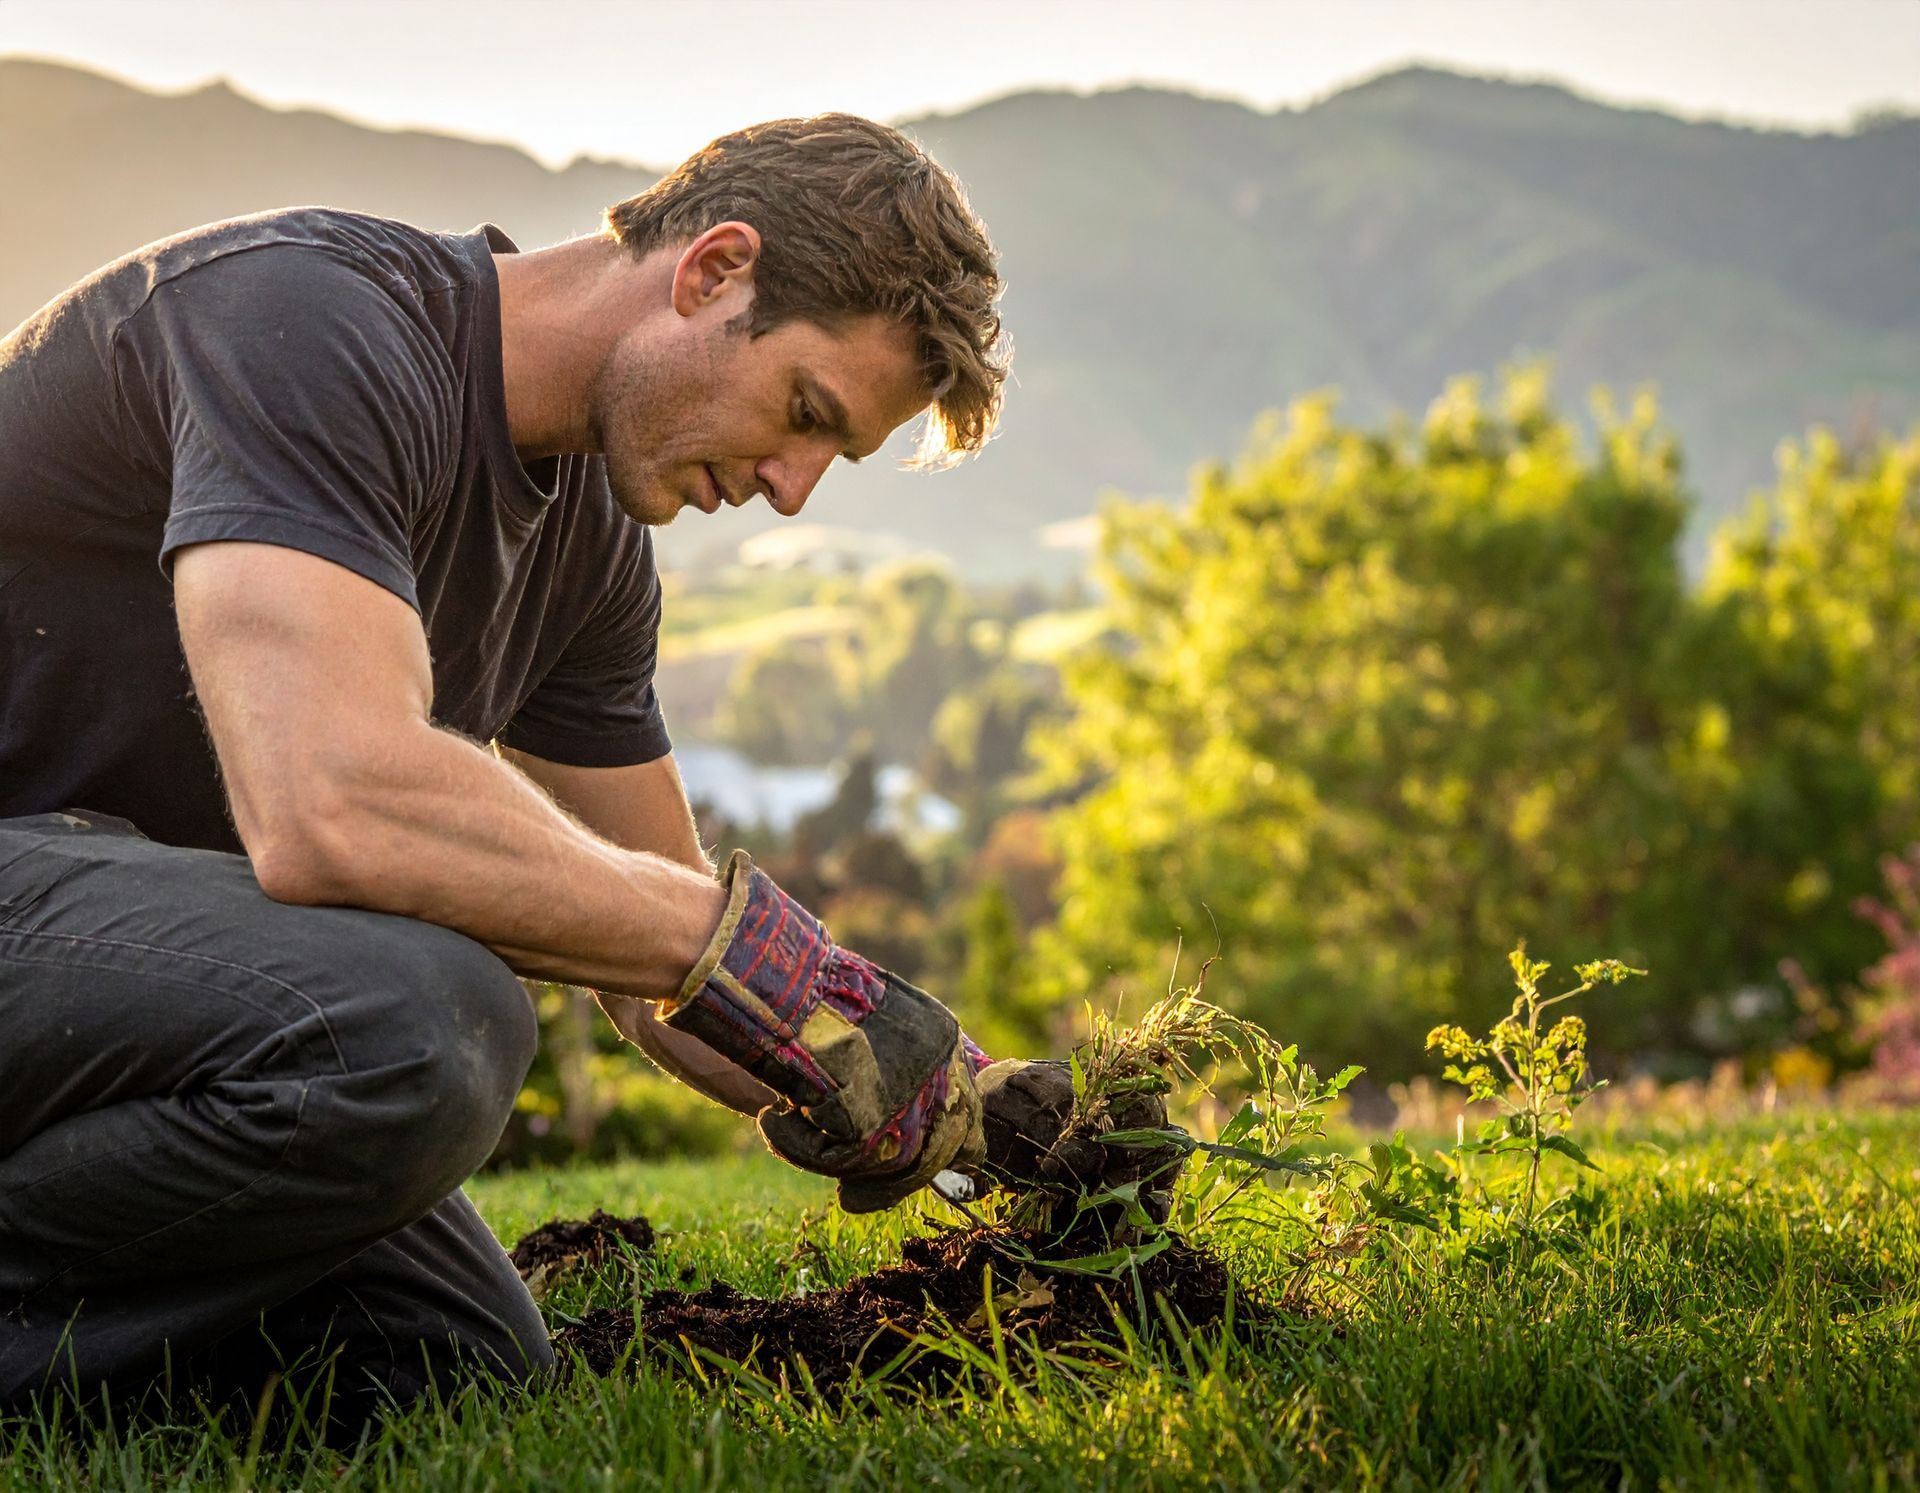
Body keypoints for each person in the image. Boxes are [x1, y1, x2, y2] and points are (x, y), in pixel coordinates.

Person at [0, 112, 1067, 1430]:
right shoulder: (307, 322)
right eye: (803, 413)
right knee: (420, 1019)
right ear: (712, 269)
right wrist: (761, 968)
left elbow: (652, 942)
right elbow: (331, 805)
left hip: (104, 998)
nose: (794, 491)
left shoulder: (593, 549)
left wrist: (959, 1096)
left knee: (450, 1359)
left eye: (829, 458)